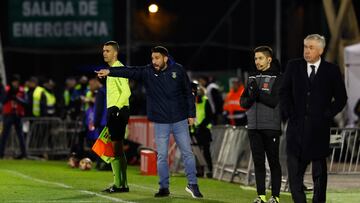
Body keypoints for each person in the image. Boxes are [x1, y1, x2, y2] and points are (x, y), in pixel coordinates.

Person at [96, 46, 203, 198]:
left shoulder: (178, 70)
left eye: (157, 58)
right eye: (152, 58)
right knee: (162, 156)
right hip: (161, 121)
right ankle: (164, 187)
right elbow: (130, 71)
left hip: (179, 119)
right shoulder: (148, 72)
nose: (154, 61)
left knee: (187, 153)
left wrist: (191, 114)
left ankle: (193, 185)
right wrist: (110, 71)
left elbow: (188, 92)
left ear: (165, 58)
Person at [280, 34, 347, 203]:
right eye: (305, 47)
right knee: (295, 173)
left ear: (321, 50)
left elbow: (341, 98)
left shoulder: (331, 70)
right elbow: (284, 92)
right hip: (296, 129)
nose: (307, 51)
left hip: (319, 129)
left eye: (311, 48)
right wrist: (289, 114)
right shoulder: (293, 66)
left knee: (319, 173)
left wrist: (327, 115)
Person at [240, 46, 282, 203]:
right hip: (253, 127)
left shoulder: (279, 77)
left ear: (269, 59)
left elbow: (274, 101)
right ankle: (261, 196)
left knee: (273, 163)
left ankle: (275, 197)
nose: (257, 61)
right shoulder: (251, 77)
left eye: (260, 58)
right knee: (258, 163)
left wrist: (257, 94)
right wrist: (251, 98)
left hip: (271, 127)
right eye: (255, 58)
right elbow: (243, 102)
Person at [98, 41, 131, 193]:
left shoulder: (118, 68)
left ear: (115, 53)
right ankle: (122, 184)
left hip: (118, 110)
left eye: (108, 50)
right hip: (117, 110)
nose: (104, 53)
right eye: (104, 50)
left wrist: (116, 109)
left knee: (114, 149)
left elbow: (126, 92)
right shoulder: (113, 70)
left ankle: (119, 185)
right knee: (118, 150)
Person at [0, 74, 27, 159]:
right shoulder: (7, 89)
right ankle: (1, 153)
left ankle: (24, 153)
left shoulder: (22, 90)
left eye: (17, 82)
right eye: (14, 82)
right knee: (4, 135)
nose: (15, 83)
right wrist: (9, 96)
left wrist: (17, 99)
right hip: (8, 114)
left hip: (18, 115)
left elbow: (26, 102)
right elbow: (3, 101)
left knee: (20, 135)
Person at [190, 81, 214, 178]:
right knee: (196, 152)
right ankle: (199, 171)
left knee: (206, 152)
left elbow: (209, 116)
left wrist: (201, 126)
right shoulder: (191, 102)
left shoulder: (205, 100)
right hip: (194, 130)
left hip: (204, 131)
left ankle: (209, 171)